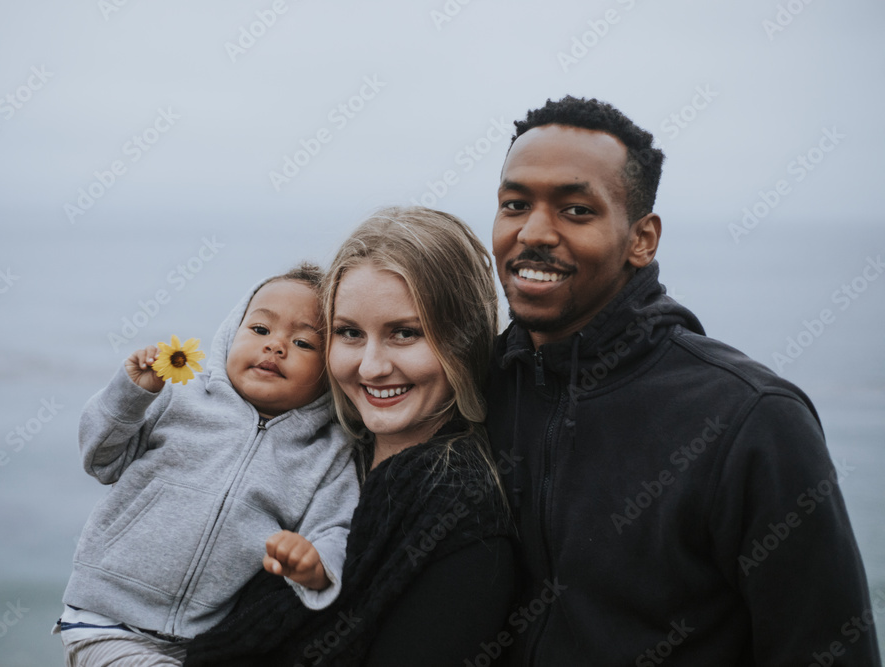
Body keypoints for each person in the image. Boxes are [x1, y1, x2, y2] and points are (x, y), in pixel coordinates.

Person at [485, 95, 881, 665]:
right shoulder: (470, 390)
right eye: (515, 204)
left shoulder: (751, 419)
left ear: (642, 239)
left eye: (577, 210)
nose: (535, 232)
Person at [185, 206, 516, 667]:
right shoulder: (316, 458)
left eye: (404, 333)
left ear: (464, 338)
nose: (371, 367)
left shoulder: (462, 516)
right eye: (349, 333)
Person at [55, 264, 360, 666]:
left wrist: (315, 566)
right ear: (232, 331)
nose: (276, 347)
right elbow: (100, 460)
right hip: (107, 617)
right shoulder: (180, 398)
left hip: (203, 640)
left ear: (330, 371)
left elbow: (335, 525)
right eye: (260, 330)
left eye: (304, 343)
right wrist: (130, 397)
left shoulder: (327, 451)